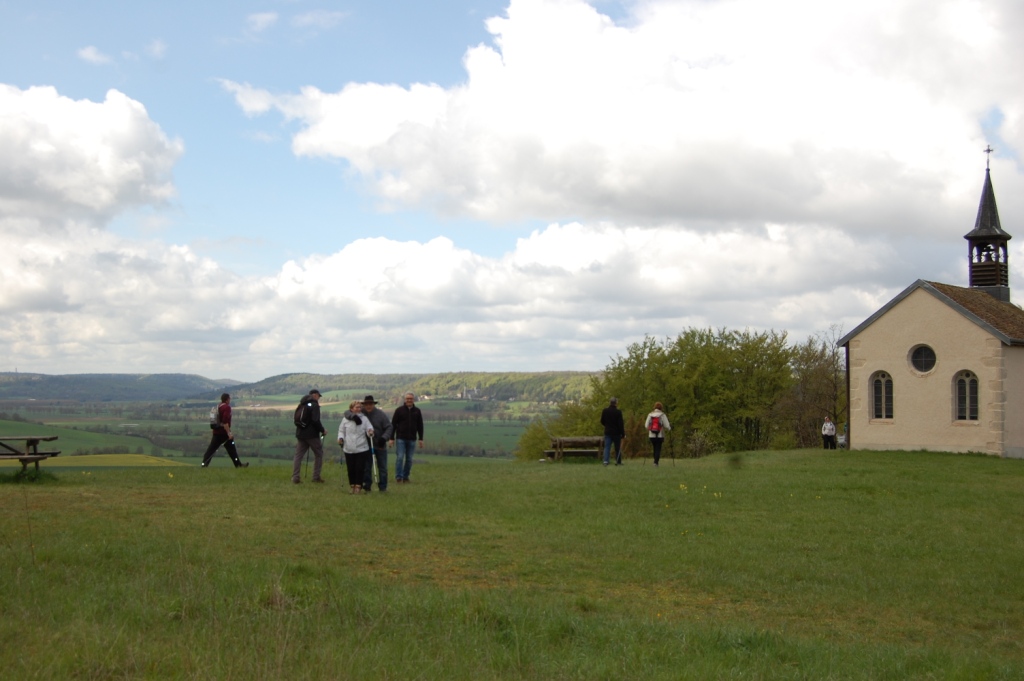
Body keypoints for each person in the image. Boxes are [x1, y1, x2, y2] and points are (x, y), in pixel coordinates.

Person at [201, 393, 248, 468]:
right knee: (232, 450)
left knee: (211, 450)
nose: (230, 400)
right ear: (227, 399)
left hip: (216, 433)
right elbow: (225, 422)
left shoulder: (218, 407)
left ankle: (204, 464)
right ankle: (238, 465)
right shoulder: (227, 408)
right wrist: (229, 434)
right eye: (229, 398)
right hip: (224, 433)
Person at [338, 400, 374, 494]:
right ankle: (352, 486)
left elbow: (369, 428)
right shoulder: (345, 419)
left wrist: (370, 432)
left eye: (360, 407)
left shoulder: (364, 419)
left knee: (360, 468)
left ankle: (358, 486)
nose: (359, 409)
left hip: (362, 447)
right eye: (356, 407)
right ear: (351, 409)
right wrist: (340, 438)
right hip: (348, 448)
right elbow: (341, 430)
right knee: (351, 468)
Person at [359, 395, 393, 492]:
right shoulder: (360, 414)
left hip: (380, 445)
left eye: (370, 404)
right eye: (366, 404)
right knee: (366, 467)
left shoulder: (380, 414)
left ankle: (383, 487)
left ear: (373, 404)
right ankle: (367, 486)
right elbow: (348, 413)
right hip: (365, 445)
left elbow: (389, 427)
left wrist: (384, 438)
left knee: (382, 467)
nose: (368, 406)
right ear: (364, 405)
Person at [292, 389, 327, 483]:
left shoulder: (302, 404)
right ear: (315, 395)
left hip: (300, 433)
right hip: (312, 435)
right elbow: (315, 420)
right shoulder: (314, 405)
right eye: (319, 396)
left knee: (298, 456)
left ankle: (295, 477)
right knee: (319, 454)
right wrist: (322, 430)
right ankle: (316, 477)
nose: (319, 398)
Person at [390, 392, 424, 483]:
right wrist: (391, 438)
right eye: (407, 398)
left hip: (412, 439)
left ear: (413, 400)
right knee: (400, 457)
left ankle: (405, 477)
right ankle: (398, 477)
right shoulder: (399, 410)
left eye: (411, 399)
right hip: (401, 438)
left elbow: (420, 425)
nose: (409, 400)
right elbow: (393, 425)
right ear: (405, 400)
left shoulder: (417, 411)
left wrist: (421, 438)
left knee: (409, 459)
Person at [601, 397, 626, 466]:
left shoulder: (605, 411)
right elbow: (621, 424)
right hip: (616, 432)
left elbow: (602, 421)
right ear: (616, 403)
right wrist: (623, 433)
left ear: (610, 402)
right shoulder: (618, 412)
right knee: (617, 447)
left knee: (607, 447)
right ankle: (618, 461)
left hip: (608, 431)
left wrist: (607, 425)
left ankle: (606, 461)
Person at [644, 402, 672, 466]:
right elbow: (667, 425)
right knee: (658, 448)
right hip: (660, 435)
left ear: (654, 407)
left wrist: (650, 428)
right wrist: (669, 429)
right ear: (661, 408)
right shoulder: (662, 415)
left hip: (651, 435)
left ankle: (655, 461)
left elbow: (646, 425)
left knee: (654, 448)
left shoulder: (650, 414)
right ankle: (656, 462)